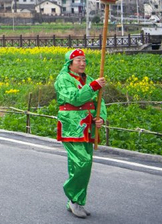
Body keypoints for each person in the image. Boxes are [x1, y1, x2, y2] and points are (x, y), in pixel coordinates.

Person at [54, 49, 107, 219]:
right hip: (72, 125)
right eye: (78, 60)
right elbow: (75, 98)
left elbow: (99, 101)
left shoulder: (89, 79)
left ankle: (78, 201)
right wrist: (93, 87)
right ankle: (73, 196)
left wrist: (101, 118)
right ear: (69, 63)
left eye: (84, 60)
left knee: (83, 164)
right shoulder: (63, 79)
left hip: (87, 127)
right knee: (83, 162)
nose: (83, 63)